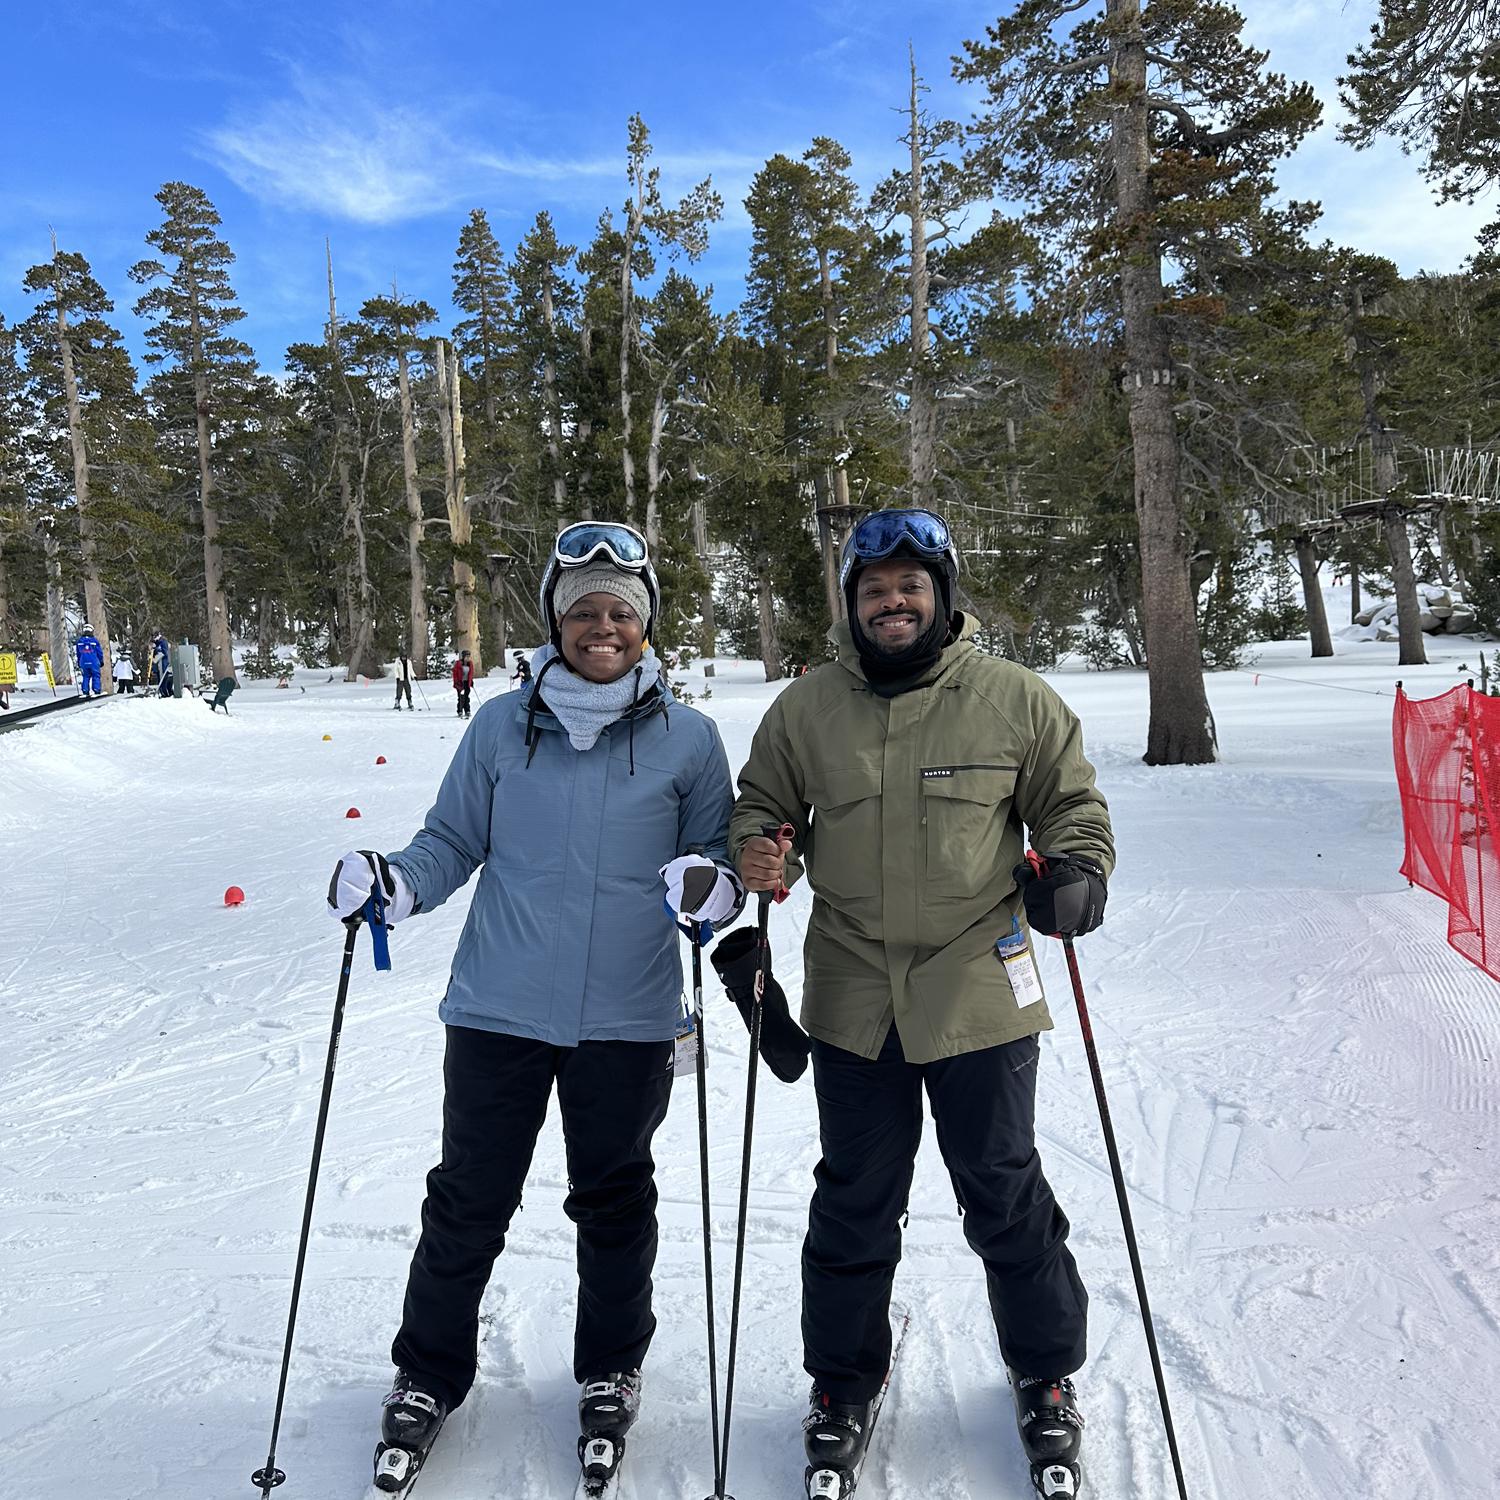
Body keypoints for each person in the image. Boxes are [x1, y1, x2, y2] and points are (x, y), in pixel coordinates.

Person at [324, 521, 745, 1495]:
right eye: (583, 611)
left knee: (614, 1202)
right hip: (499, 1010)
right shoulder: (497, 728)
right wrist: (395, 883)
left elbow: (716, 861)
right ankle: (427, 1374)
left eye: (621, 613)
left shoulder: (690, 739)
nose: (602, 626)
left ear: (644, 629)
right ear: (556, 622)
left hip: (630, 1019)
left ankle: (609, 1367)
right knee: (468, 1200)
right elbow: (448, 843)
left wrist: (707, 890)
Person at [729, 507, 1114, 1500]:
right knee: (855, 1197)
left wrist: (1074, 869)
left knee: (1001, 1185)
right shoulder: (805, 712)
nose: (892, 603)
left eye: (909, 587)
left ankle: (1046, 1375)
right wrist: (762, 848)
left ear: (942, 595)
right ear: (851, 607)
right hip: (854, 988)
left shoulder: (1014, 700)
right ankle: (841, 1386)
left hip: (979, 980)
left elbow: (1071, 804)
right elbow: (762, 803)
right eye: (873, 591)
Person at [75, 625, 104, 698]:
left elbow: (78, 653)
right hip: (94, 661)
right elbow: (99, 652)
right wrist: (101, 660)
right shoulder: (94, 641)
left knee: (86, 676)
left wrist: (79, 662)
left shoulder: (80, 641)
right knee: (96, 675)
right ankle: (96, 690)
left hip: (83, 661)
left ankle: (85, 690)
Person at [451, 649, 475, 718]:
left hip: (467, 683)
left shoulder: (470, 664)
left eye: (469, 656)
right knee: (461, 697)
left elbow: (470, 674)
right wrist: (456, 682)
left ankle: (467, 710)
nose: (468, 658)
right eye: (466, 656)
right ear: (463, 657)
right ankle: (460, 711)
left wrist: (471, 681)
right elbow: (455, 674)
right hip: (460, 683)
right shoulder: (458, 664)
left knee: (466, 697)